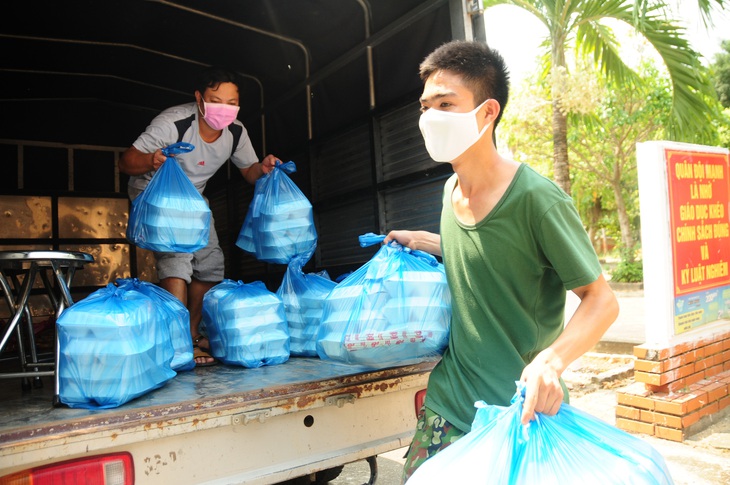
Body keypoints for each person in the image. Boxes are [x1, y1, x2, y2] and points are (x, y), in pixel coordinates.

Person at [384, 40, 619, 482]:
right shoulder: (450, 190)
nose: (430, 117)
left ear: (488, 112)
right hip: (448, 403)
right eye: (425, 106)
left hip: (518, 414)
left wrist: (552, 362)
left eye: (446, 104)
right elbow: (485, 250)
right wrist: (426, 241)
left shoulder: (538, 200)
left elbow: (601, 300)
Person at [118, 66, 280, 367]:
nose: (224, 109)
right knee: (178, 258)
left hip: (192, 200)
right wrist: (152, 159)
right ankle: (177, 343)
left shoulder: (235, 132)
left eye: (231, 103)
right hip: (154, 190)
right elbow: (126, 162)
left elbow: (249, 171)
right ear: (199, 99)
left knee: (210, 265)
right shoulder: (172, 123)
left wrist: (265, 168)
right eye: (215, 100)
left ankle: (190, 334)